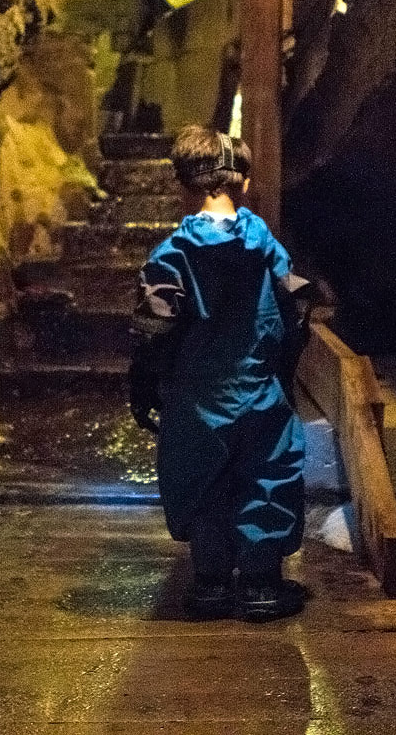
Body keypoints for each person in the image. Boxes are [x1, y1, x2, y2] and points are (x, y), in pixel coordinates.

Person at [128, 124, 313, 622]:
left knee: (205, 481)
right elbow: (294, 308)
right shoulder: (267, 248)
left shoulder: (170, 256)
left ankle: (210, 585)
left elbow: (153, 329)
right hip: (259, 392)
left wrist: (144, 383)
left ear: (181, 186)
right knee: (268, 477)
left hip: (195, 399)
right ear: (245, 183)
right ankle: (260, 586)